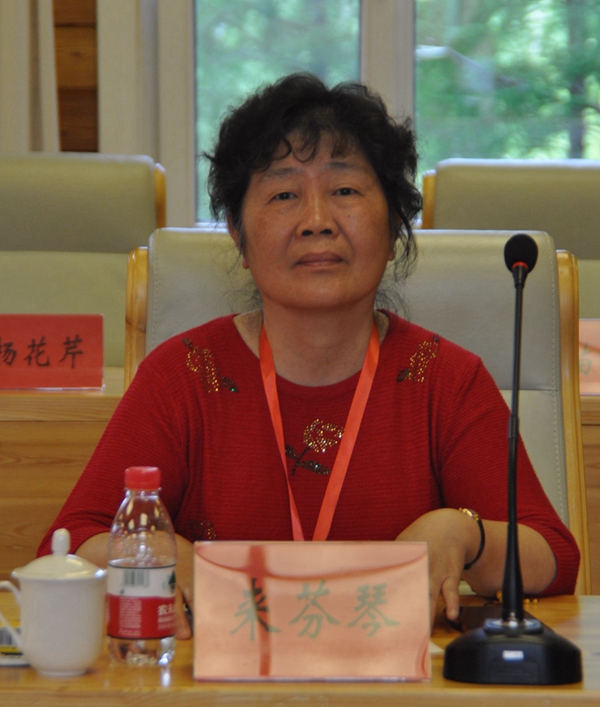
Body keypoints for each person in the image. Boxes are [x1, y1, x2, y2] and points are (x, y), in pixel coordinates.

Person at [39, 73, 579, 639]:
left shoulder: (445, 379)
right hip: (223, 676)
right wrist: (152, 546)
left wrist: (463, 534)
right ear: (238, 236)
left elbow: (554, 557)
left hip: (396, 675)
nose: (317, 220)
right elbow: (75, 541)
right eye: (283, 195)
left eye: (345, 191)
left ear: (394, 227)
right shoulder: (186, 375)